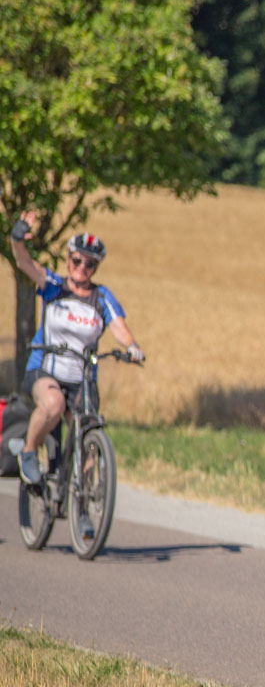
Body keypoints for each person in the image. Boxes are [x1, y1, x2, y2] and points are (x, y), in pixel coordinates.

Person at [8, 213, 145, 509]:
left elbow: (119, 327)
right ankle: (29, 452)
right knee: (54, 404)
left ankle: (83, 509)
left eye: (90, 264)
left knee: (88, 435)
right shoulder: (54, 285)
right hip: (46, 369)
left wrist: (133, 347)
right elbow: (25, 263)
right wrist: (17, 237)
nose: (82, 267)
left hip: (81, 378)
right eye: (77, 260)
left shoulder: (101, 297)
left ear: (96, 267)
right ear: (69, 259)